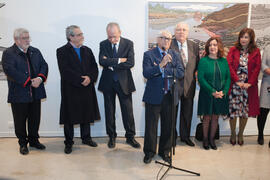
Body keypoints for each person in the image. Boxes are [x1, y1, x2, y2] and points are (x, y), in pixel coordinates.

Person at [2, 28, 48, 155]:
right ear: (16, 40)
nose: (28, 40)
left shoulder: (35, 51)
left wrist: (39, 78)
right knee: (20, 120)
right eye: (24, 38)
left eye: (28, 37)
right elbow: (10, 70)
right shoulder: (8, 53)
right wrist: (28, 81)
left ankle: (34, 141)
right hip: (19, 94)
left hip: (35, 92)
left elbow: (44, 65)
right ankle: (23, 143)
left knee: (35, 119)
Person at [57, 25, 100, 154]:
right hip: (71, 88)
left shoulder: (87, 50)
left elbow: (94, 67)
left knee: (86, 114)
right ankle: (69, 142)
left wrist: (90, 78)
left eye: (82, 34)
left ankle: (86, 138)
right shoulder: (62, 51)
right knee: (69, 116)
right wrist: (82, 80)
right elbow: (65, 71)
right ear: (71, 37)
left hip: (87, 87)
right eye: (79, 34)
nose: (82, 36)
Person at [142, 30, 184, 164]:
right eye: (163, 38)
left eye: (168, 39)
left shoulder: (175, 54)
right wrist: (161, 64)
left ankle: (165, 151)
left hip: (170, 96)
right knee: (151, 127)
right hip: (153, 96)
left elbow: (180, 72)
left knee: (168, 126)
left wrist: (164, 70)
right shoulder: (149, 54)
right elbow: (147, 73)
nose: (166, 41)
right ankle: (149, 152)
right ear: (158, 40)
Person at [98, 22, 140, 149]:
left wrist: (109, 62)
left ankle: (130, 137)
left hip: (124, 82)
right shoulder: (103, 44)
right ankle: (111, 137)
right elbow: (101, 61)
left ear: (120, 32)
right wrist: (119, 60)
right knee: (109, 111)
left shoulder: (128, 43)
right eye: (110, 36)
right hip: (108, 82)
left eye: (114, 36)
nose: (112, 39)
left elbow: (130, 63)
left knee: (128, 112)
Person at [227, 28, 261, 146]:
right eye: (242, 37)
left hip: (248, 87)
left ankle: (240, 133)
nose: (243, 39)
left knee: (244, 112)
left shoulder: (256, 51)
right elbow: (229, 65)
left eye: (246, 37)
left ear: (251, 38)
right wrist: (237, 81)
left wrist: (250, 82)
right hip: (235, 86)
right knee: (234, 111)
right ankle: (232, 133)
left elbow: (257, 68)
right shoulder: (233, 50)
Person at [197, 37, 231, 150]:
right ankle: (205, 139)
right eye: (210, 45)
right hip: (207, 94)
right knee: (206, 117)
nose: (212, 47)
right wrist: (212, 92)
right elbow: (201, 78)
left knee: (215, 118)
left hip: (220, 94)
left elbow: (228, 78)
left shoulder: (224, 61)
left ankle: (212, 139)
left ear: (219, 47)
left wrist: (224, 92)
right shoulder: (203, 61)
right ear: (207, 47)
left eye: (215, 45)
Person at [170, 22, 200, 146]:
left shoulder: (194, 46)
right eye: (178, 30)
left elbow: (197, 64)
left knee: (187, 113)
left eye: (184, 30)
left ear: (188, 32)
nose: (181, 32)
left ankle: (185, 137)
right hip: (174, 86)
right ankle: (172, 138)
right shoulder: (169, 45)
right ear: (174, 32)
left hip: (189, 85)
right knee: (172, 114)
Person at [257, 45, 270, 146]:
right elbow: (263, 65)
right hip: (267, 83)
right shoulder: (268, 48)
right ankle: (260, 134)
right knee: (263, 112)